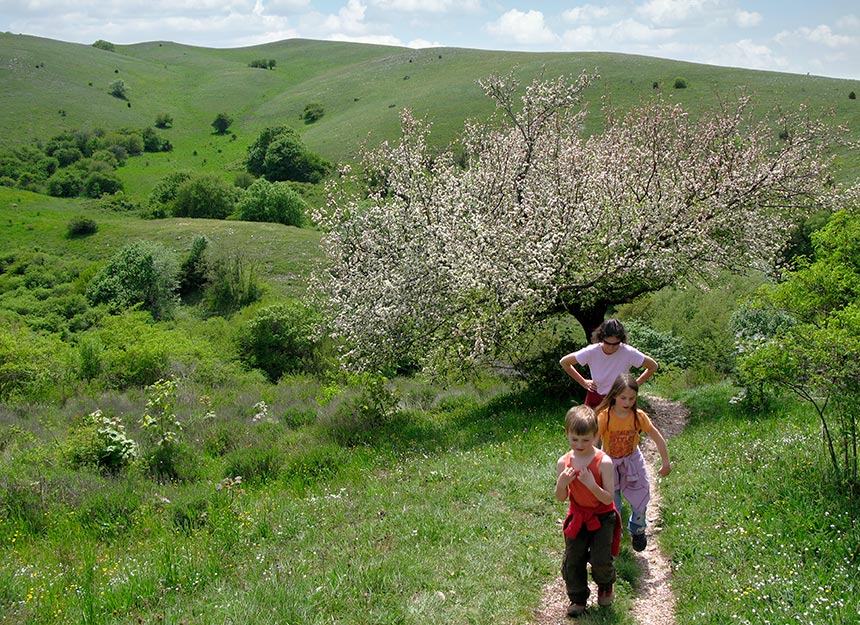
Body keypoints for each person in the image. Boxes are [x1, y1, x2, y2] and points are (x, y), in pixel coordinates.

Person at [555, 404, 621, 617]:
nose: (580, 444)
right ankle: (577, 598)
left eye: (586, 440)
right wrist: (561, 483)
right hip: (577, 516)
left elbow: (609, 497)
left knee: (601, 559)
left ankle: (605, 584)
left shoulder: (604, 461)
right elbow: (561, 498)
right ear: (567, 434)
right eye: (574, 439)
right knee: (573, 559)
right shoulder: (564, 462)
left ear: (595, 436)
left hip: (603, 517)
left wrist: (592, 484)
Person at [595, 374, 671, 552]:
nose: (627, 402)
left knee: (641, 495)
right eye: (623, 397)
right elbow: (594, 442)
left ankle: (638, 529)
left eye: (632, 398)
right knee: (613, 502)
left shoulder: (639, 417)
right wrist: (593, 464)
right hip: (609, 462)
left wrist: (665, 462)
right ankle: (615, 535)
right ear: (614, 395)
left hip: (632, 460)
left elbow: (657, 438)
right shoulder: (604, 417)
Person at [560, 318, 658, 408]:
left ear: (621, 340)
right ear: (601, 338)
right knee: (590, 427)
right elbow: (564, 362)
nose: (611, 347)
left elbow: (653, 366)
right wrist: (583, 382)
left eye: (615, 344)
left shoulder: (628, 352)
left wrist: (634, 385)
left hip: (620, 400)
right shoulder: (591, 351)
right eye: (607, 343)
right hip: (596, 397)